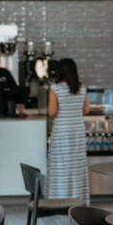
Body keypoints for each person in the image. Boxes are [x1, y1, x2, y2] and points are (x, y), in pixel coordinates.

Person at [45, 57, 90, 203]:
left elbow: (52, 112)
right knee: (76, 167)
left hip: (61, 132)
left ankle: (58, 199)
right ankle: (78, 199)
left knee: (60, 166)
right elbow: (86, 110)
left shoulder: (55, 88)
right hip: (77, 130)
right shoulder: (81, 88)